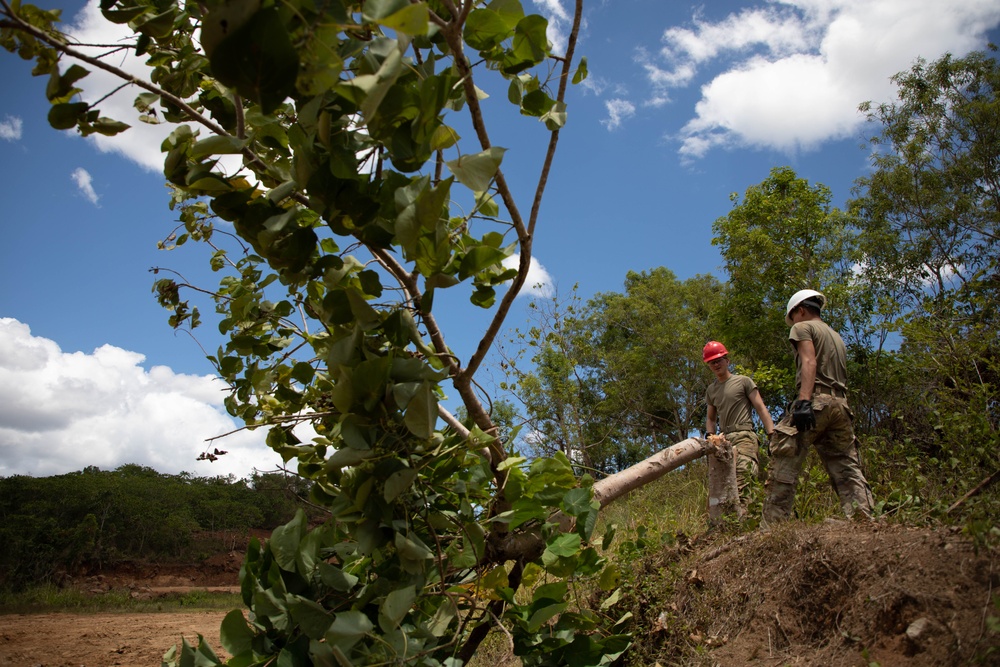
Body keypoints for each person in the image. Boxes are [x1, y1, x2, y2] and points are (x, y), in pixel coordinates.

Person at [763, 289, 875, 524]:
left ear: (800, 310)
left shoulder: (802, 327)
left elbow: (809, 360)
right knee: (845, 466)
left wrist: (804, 401)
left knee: (784, 460)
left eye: (792, 317)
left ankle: (772, 527)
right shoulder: (835, 335)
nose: (792, 323)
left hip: (816, 401)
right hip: (841, 405)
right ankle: (863, 517)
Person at [704, 341, 775, 506]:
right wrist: (710, 437)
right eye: (711, 362)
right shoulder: (711, 390)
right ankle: (729, 526)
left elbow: (761, 408)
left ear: (727, 361)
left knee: (743, 477)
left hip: (744, 436)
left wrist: (772, 434)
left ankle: (745, 522)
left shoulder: (744, 381)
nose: (716, 364)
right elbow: (711, 419)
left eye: (719, 360)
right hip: (723, 440)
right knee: (724, 485)